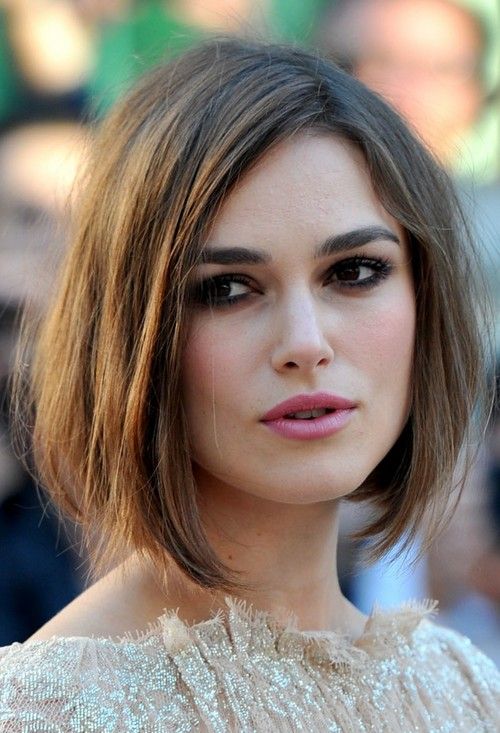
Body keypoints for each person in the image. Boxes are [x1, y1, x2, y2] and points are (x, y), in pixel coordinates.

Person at [0, 37, 499, 731]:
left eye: (354, 272)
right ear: (134, 333)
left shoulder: (465, 692)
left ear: (426, 296)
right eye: (228, 288)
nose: (305, 342)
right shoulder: (43, 712)